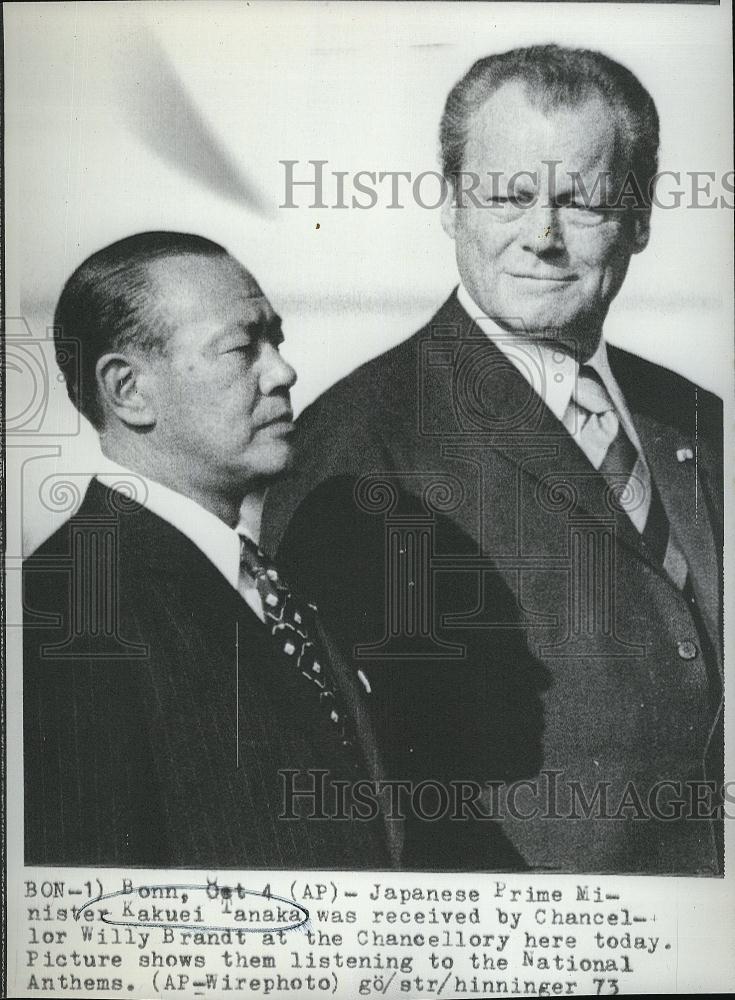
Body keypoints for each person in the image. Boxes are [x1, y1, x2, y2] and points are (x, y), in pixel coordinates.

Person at [263, 45, 724, 874]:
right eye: (508, 196)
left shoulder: (697, 417)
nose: (540, 237)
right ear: (448, 205)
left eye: (581, 202)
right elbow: (333, 770)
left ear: (642, 219)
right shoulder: (355, 443)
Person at [23, 231, 394, 869]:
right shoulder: (67, 608)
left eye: (276, 339)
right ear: (129, 390)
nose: (283, 371)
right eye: (239, 347)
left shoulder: (272, 579)